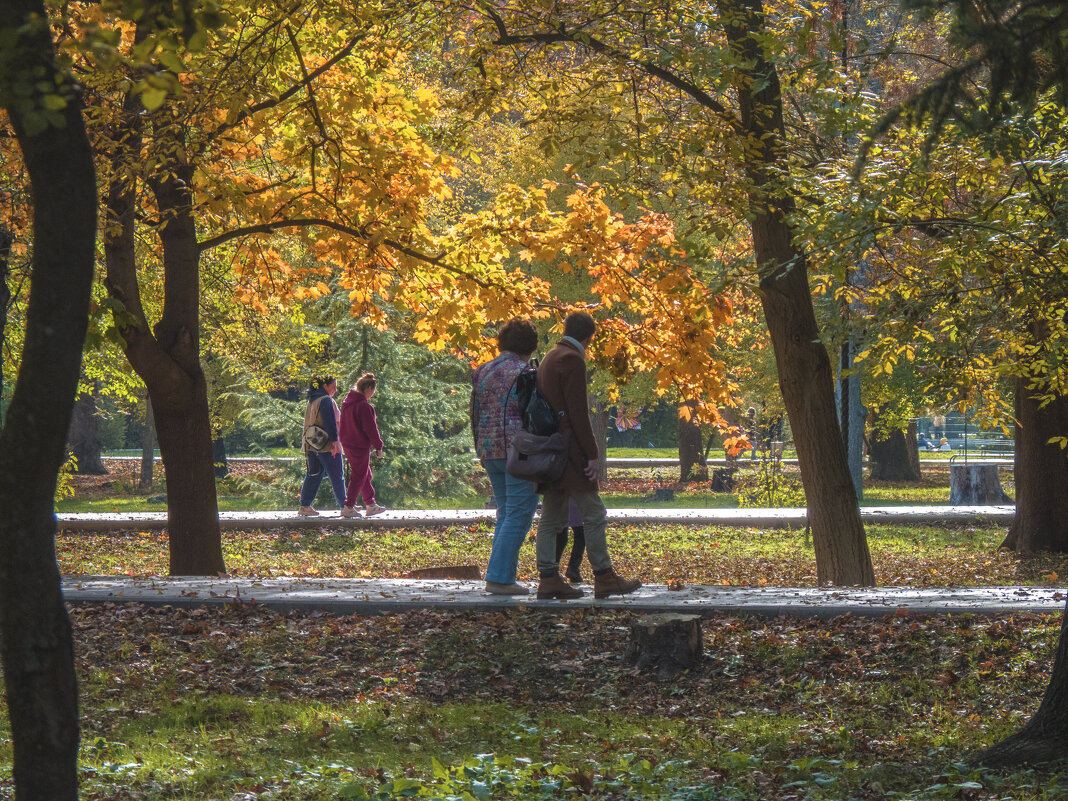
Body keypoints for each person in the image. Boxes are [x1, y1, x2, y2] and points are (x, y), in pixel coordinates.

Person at [533, 311, 641, 600]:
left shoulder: (550, 356)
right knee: (593, 512)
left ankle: (548, 577)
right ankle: (604, 576)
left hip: (552, 451)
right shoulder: (572, 360)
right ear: (589, 337)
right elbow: (578, 412)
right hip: (569, 452)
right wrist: (592, 454)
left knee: (551, 515)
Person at [470, 318, 540, 595]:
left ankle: (499, 575)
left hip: (489, 450)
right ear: (530, 346)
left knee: (505, 512)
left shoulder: (482, 371)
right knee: (519, 514)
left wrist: (480, 446)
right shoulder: (527, 372)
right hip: (518, 450)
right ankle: (499, 578)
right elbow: (535, 414)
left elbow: (474, 411)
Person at [298, 376, 346, 516]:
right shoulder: (325, 400)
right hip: (325, 445)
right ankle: (345, 506)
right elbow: (329, 422)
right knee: (337, 475)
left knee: (314, 474)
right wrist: (334, 443)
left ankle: (305, 506)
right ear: (325, 385)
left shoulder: (312, 399)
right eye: (334, 386)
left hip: (311, 444)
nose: (335, 390)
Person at [339, 372, 386, 517]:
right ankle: (349, 506)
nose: (372, 394)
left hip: (348, 443)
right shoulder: (364, 406)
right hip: (359, 445)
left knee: (365, 473)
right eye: (373, 391)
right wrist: (378, 446)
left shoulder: (347, 403)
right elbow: (371, 429)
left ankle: (370, 504)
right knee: (359, 475)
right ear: (369, 389)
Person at [554, 498, 586, 584]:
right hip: (577, 497)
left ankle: (554, 568)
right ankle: (573, 567)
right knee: (581, 535)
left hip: (561, 498)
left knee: (561, 537)